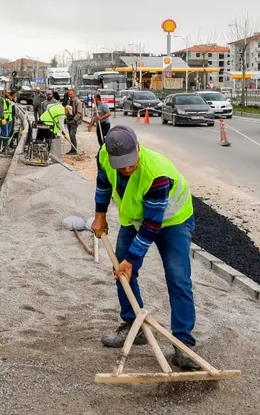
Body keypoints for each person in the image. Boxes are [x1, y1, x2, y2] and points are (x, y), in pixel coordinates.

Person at [92, 126, 199, 371]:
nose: (127, 168)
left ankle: (183, 343)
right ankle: (134, 325)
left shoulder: (156, 172)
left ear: (137, 148)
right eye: (122, 165)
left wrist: (132, 258)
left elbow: (153, 226)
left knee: (178, 278)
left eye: (131, 163)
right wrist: (100, 215)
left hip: (174, 221)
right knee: (122, 272)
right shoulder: (103, 156)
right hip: (137, 218)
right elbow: (103, 184)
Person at [63, 89, 85, 154]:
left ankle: (74, 150)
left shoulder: (78, 102)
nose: (70, 95)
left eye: (71, 94)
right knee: (70, 135)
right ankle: (72, 149)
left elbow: (79, 113)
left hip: (74, 120)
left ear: (74, 94)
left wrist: (74, 120)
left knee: (72, 134)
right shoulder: (68, 101)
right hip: (69, 120)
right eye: (69, 94)